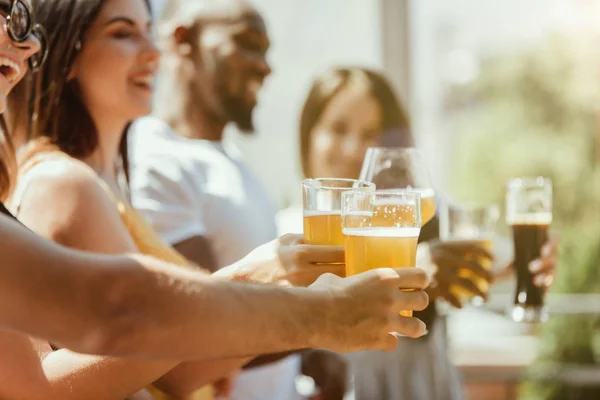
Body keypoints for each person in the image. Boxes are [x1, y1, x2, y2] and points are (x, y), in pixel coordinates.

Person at [1, 2, 430, 399]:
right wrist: (313, 310)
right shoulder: (66, 183)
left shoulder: (111, 184)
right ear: (67, 50)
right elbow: (134, 325)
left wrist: (274, 287)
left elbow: (172, 358)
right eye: (123, 33)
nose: (154, 52)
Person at [282, 66, 558, 399]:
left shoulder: (416, 207)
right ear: (308, 133)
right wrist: (416, 268)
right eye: (338, 129)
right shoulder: (286, 235)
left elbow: (492, 256)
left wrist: (532, 262)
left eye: (371, 134)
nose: (355, 148)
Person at [128, 0, 344, 398]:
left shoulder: (233, 162)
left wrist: (310, 355)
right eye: (247, 43)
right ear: (183, 39)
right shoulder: (154, 159)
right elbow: (205, 322)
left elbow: (261, 306)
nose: (265, 65)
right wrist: (334, 320)